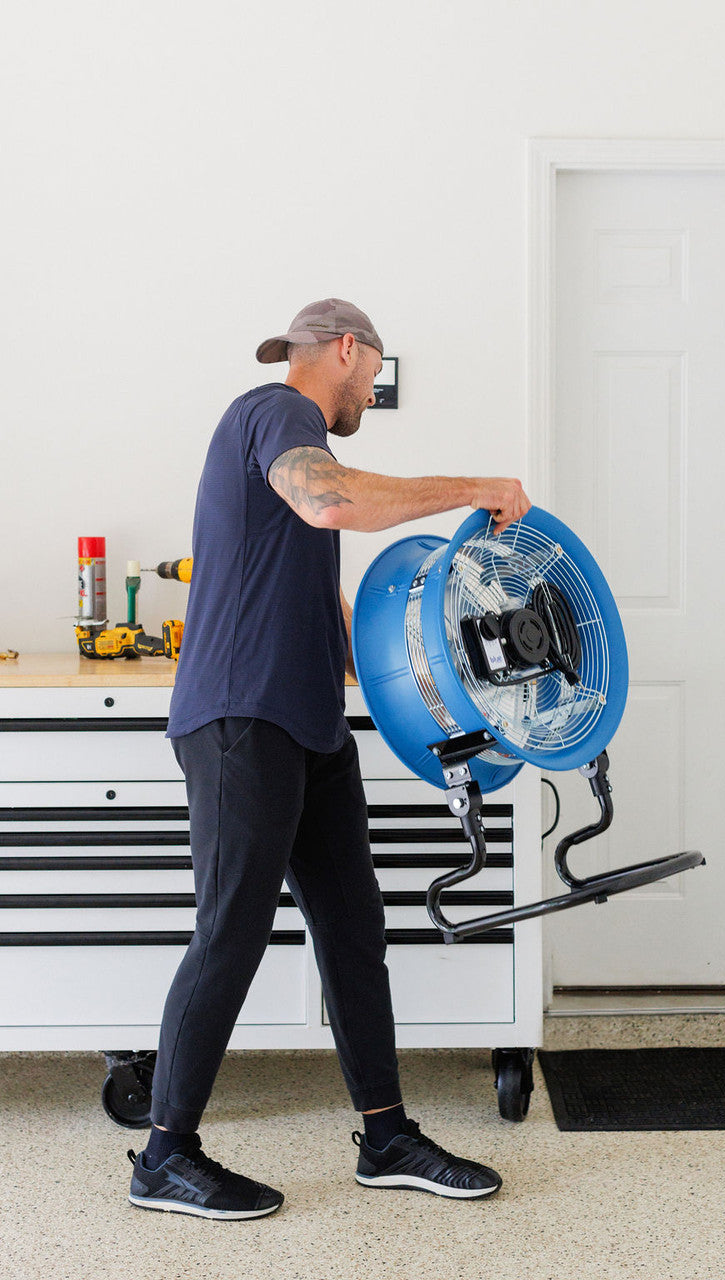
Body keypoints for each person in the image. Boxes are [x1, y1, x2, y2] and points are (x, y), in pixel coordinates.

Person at [126, 298, 532, 1219]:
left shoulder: (297, 442)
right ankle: (163, 1157)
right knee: (230, 929)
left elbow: (347, 623)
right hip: (242, 715)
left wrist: (448, 690)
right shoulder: (277, 415)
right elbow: (329, 498)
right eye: (374, 376)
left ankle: (385, 1135)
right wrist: (471, 485)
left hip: (308, 725)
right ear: (348, 350)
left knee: (354, 930)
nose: (371, 393)